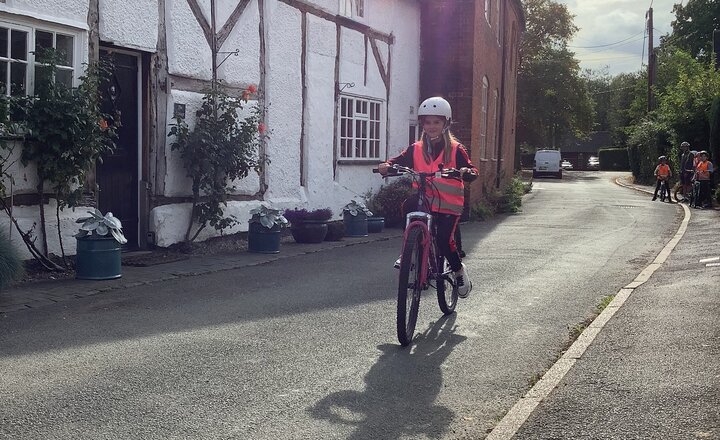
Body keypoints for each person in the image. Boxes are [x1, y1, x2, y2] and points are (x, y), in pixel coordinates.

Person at [378, 97, 478, 298]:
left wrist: (467, 172)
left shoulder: (456, 149)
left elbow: (471, 169)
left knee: (443, 240)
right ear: (422, 124)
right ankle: (409, 250)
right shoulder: (416, 148)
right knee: (409, 205)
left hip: (448, 204)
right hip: (425, 200)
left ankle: (459, 271)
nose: (431, 126)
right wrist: (387, 165)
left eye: (436, 122)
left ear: (445, 123)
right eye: (427, 122)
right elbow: (398, 160)